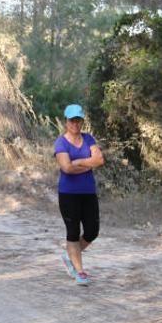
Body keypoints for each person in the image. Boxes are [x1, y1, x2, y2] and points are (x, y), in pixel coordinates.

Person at [54, 104, 104, 286]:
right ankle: (80, 271)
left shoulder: (88, 138)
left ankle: (69, 256)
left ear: (82, 121)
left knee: (92, 231)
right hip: (68, 194)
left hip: (88, 193)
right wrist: (88, 164)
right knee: (73, 232)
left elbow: (99, 160)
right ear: (66, 121)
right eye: (72, 120)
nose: (75, 123)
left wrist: (81, 161)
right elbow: (66, 167)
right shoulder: (61, 142)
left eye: (78, 120)